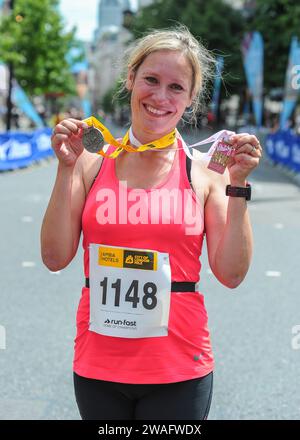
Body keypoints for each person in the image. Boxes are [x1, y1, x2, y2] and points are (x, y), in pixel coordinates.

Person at [40, 25, 262, 420]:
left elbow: (231, 273)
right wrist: (65, 170)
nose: (160, 97)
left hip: (179, 366)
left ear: (192, 97)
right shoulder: (91, 164)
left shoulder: (207, 172)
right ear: (130, 79)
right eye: (151, 80)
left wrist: (238, 185)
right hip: (98, 364)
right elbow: (55, 257)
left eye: (177, 87)